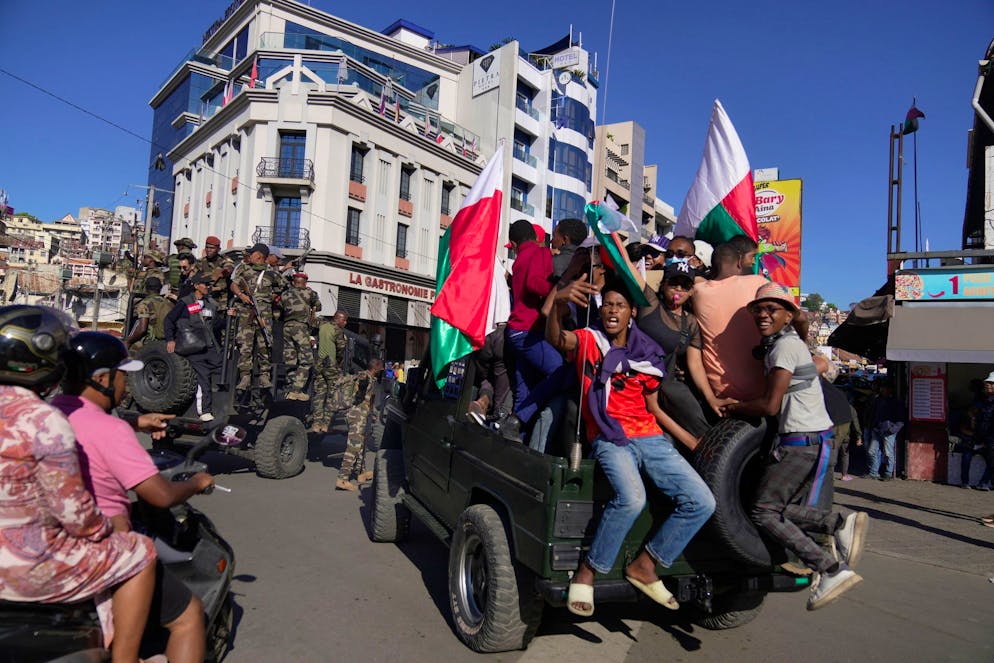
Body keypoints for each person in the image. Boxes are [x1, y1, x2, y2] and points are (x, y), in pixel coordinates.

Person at [546, 278, 716, 617]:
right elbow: (557, 338)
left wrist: (692, 443)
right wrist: (558, 304)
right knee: (632, 498)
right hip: (611, 438)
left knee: (702, 501)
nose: (612, 309)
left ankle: (646, 563)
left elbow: (653, 407)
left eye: (619, 305)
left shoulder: (647, 353)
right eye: (607, 304)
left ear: (632, 313)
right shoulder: (589, 341)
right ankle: (588, 571)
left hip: (650, 438)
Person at [0, 305, 157, 663]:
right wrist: (112, 527)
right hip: (28, 569)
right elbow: (75, 514)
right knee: (141, 552)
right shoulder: (44, 420)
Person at [53, 331, 214, 663]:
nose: (126, 385)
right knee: (189, 617)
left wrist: (135, 422)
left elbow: (84, 421)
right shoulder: (112, 431)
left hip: (54, 547)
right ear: (102, 379)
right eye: (122, 376)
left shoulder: (47, 413)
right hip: (106, 549)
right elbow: (160, 495)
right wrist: (197, 483)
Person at [720, 282, 868, 611]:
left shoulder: (784, 348)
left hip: (800, 441)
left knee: (763, 511)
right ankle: (838, 523)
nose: (762, 314)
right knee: (775, 508)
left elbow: (771, 405)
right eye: (758, 309)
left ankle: (830, 569)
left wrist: (735, 405)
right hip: (812, 438)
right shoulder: (786, 342)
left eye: (772, 309)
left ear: (787, 315)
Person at [634, 260, 716, 439]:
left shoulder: (691, 322)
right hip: (638, 386)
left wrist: (711, 399)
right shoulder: (651, 304)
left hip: (669, 388)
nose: (678, 289)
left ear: (692, 291)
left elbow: (695, 365)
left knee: (700, 427)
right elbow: (630, 271)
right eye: (673, 283)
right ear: (663, 285)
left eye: (685, 286)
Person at [692, 238, 774, 407]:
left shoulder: (698, 292)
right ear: (739, 262)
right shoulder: (759, 283)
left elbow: (697, 280)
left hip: (720, 391)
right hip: (763, 389)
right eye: (752, 257)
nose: (752, 262)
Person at [504, 219, 565, 431]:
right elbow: (534, 284)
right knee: (560, 371)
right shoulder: (540, 253)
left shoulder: (518, 260)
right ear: (536, 237)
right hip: (529, 332)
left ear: (513, 243)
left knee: (524, 389)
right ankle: (519, 418)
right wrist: (560, 286)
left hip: (514, 332)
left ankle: (515, 438)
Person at [163, 273, 224, 421]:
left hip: (210, 347)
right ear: (196, 286)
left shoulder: (211, 303)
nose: (208, 287)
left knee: (222, 368)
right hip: (194, 348)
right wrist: (170, 340)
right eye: (205, 284)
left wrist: (228, 315)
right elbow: (169, 320)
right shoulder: (185, 303)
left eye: (209, 284)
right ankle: (204, 411)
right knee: (204, 377)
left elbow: (217, 325)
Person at [230, 243, 285, 391]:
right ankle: (245, 376)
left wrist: (268, 299)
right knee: (245, 344)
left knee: (265, 343)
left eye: (252, 253)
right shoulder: (244, 268)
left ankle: (264, 375)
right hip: (246, 311)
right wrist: (241, 295)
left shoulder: (272, 273)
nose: (250, 256)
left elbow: (282, 288)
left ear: (259, 255)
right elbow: (234, 285)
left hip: (264, 313)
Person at [336, 357, 384, 491]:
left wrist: (372, 415)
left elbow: (370, 400)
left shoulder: (373, 379)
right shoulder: (365, 376)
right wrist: (362, 377)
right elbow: (362, 380)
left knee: (362, 445)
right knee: (353, 447)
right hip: (356, 416)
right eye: (381, 367)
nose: (382, 369)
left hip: (363, 416)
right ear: (376, 367)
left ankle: (361, 473)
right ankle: (342, 479)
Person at [281, 272, 321, 401]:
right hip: (300, 328)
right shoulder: (310, 293)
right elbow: (318, 307)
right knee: (307, 360)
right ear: (305, 283)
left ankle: (289, 387)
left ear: (293, 282)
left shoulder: (285, 294)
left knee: (290, 360)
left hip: (286, 327)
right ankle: (296, 390)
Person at [310, 310, 348, 434]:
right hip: (331, 365)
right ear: (339, 319)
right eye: (344, 320)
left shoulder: (323, 325)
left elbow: (313, 321)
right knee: (332, 396)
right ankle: (326, 424)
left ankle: (316, 424)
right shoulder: (338, 331)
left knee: (319, 395)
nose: (345, 323)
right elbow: (341, 350)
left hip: (319, 364)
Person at [863, 380, 905, 480]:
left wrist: (892, 429)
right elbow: (873, 414)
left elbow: (901, 419)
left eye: (884, 388)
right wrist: (872, 426)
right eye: (882, 388)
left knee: (888, 452)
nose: (882, 390)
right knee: (872, 451)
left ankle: (888, 473)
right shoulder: (878, 400)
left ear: (889, 390)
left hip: (888, 431)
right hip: (877, 429)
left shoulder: (895, 402)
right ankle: (874, 472)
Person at [125, 276, 171, 352]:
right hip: (167, 340)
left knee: (130, 352)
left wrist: (128, 341)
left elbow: (142, 329)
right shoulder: (168, 302)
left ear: (146, 288)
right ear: (160, 288)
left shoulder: (145, 303)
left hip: (150, 341)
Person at [967, 372, 994, 490]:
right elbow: (974, 413)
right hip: (983, 437)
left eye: (991, 383)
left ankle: (984, 482)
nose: (988, 385)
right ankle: (985, 483)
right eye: (987, 383)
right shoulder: (985, 400)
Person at [195, 235, 235, 309]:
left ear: (218, 249)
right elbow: (195, 278)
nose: (209, 250)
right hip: (202, 299)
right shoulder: (200, 262)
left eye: (212, 248)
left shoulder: (224, 260)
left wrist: (225, 270)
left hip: (220, 301)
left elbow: (229, 267)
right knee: (193, 314)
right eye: (207, 247)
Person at [550, 217, 588, 283]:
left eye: (554, 236)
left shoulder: (552, 262)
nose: (551, 241)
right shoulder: (590, 264)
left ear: (565, 239)